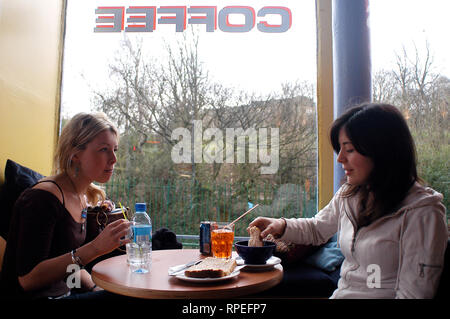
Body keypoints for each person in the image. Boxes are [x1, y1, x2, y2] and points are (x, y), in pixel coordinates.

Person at [249, 103, 447, 299]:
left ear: (382, 151)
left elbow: (413, 295)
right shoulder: (350, 195)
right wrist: (280, 225)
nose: (340, 158)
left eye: (349, 149)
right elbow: (317, 229)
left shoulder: (423, 212)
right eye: (340, 149)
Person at [0, 112, 131, 299]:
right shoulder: (42, 199)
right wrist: (96, 248)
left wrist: (94, 287)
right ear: (76, 154)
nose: (113, 159)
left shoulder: (81, 197)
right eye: (103, 149)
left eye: (114, 150)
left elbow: (68, 262)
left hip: (65, 293)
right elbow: (27, 279)